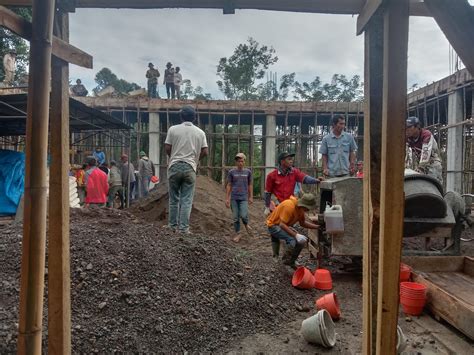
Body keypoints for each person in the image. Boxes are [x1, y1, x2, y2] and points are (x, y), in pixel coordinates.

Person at [165, 105, 208, 233]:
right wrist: (195, 161)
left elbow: (167, 147)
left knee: (174, 199)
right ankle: (183, 229)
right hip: (190, 168)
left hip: (174, 166)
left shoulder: (173, 129)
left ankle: (172, 226)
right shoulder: (200, 133)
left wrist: (173, 157)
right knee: (186, 200)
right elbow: (205, 151)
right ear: (194, 118)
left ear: (181, 116)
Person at [266, 193, 320, 268]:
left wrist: (317, 227)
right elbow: (282, 224)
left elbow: (303, 223)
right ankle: (285, 262)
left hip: (283, 225)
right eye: (307, 208)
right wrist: (296, 235)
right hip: (273, 225)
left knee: (300, 242)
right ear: (303, 205)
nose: (307, 210)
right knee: (292, 240)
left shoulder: (300, 210)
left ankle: (291, 262)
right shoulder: (289, 206)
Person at [264, 152, 323, 216]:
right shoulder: (271, 176)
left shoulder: (294, 172)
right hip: (278, 204)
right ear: (282, 161)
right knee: (279, 222)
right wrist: (267, 207)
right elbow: (268, 192)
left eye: (291, 159)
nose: (291, 161)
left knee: (289, 221)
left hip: (290, 203)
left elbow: (304, 178)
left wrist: (316, 180)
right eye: (289, 159)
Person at [405, 116, 443, 183]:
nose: (407, 129)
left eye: (409, 127)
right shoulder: (409, 138)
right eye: (406, 127)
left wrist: (420, 167)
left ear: (417, 127)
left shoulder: (426, 135)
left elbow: (426, 153)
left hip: (432, 165)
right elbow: (405, 152)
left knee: (434, 185)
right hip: (420, 165)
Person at [226, 153, 253, 242]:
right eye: (238, 161)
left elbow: (249, 185)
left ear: (244, 162)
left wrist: (250, 197)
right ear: (236, 162)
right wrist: (227, 198)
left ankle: (246, 224)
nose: (240, 163)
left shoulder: (248, 172)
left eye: (242, 161)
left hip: (243, 198)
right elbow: (229, 185)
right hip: (234, 198)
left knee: (244, 215)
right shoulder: (231, 172)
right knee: (235, 217)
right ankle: (238, 233)